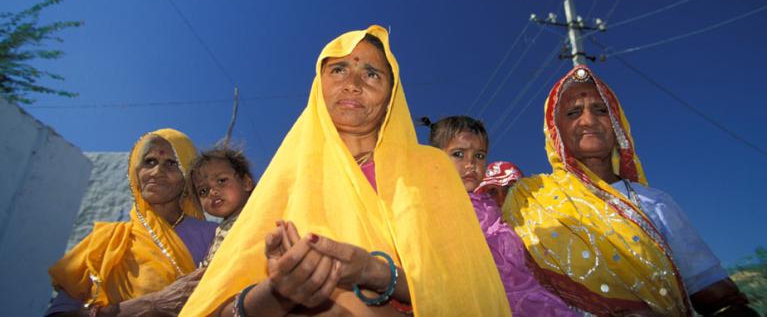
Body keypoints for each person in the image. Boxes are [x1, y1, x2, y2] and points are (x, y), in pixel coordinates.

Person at [181, 26, 510, 316]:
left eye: (371, 74)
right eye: (338, 70)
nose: (352, 84)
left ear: (390, 97)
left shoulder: (431, 169)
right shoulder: (284, 182)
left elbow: (470, 294)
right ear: (318, 85)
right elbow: (218, 307)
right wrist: (281, 291)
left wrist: (376, 273)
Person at [504, 65, 756, 316]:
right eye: (573, 113)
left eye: (601, 110)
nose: (588, 121)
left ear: (617, 125)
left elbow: (713, 292)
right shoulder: (529, 200)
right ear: (555, 130)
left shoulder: (654, 203)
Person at [47, 129, 217, 316]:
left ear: (187, 175)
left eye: (171, 164)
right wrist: (149, 305)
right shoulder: (105, 241)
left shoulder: (215, 236)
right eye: (149, 162)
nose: (157, 172)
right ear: (135, 172)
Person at [425, 115, 578, 317]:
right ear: (435, 159)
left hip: (528, 297)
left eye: (479, 156)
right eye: (458, 154)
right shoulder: (433, 206)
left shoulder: (493, 210)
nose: (470, 164)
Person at [190, 144, 255, 267]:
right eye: (203, 190)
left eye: (221, 181)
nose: (212, 192)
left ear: (246, 183)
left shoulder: (256, 216)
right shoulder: (219, 230)